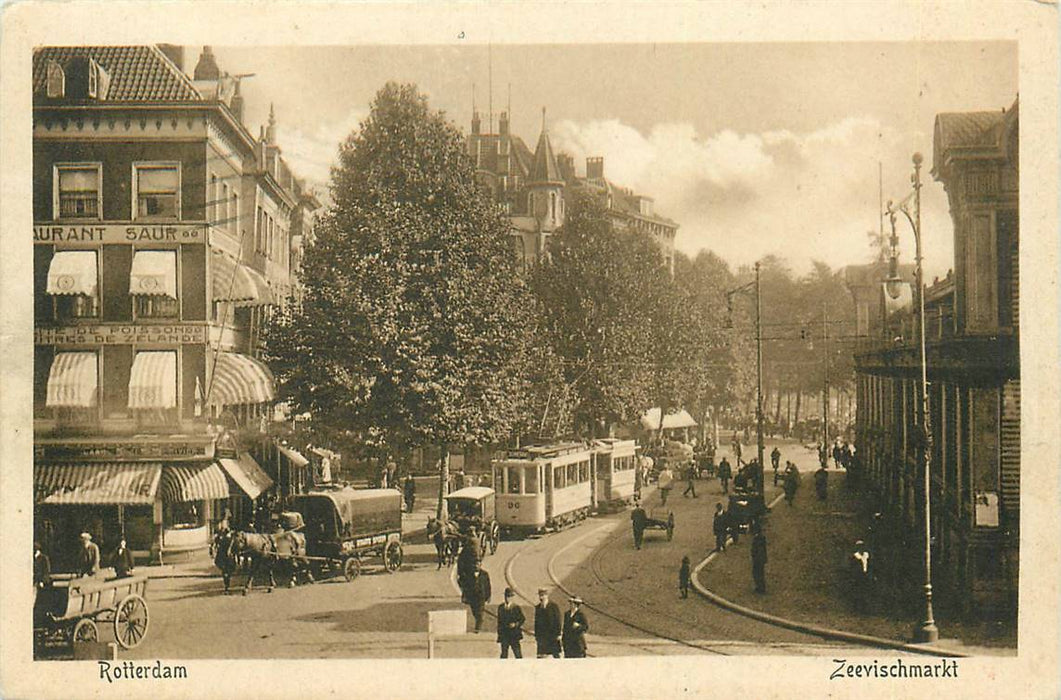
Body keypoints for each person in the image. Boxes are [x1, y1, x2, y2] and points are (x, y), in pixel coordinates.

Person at [534, 588, 563, 658]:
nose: (541, 597)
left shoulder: (554, 606)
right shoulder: (538, 608)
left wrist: (558, 634)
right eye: (540, 595)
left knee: (555, 655)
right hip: (542, 637)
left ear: (547, 596)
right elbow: (536, 622)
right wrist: (536, 635)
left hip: (553, 636)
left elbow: (558, 620)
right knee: (541, 656)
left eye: (543, 595)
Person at [497, 587, 525, 658]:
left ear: (512, 598)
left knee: (518, 654)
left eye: (510, 596)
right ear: (504, 597)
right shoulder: (501, 607)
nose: (508, 598)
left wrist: (515, 624)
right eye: (507, 596)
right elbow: (499, 622)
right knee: (504, 654)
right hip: (504, 635)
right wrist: (500, 633)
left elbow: (522, 619)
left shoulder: (516, 608)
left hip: (514, 635)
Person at [466, 560, 491, 633]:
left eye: (478, 565)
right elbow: (466, 586)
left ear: (480, 565)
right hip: (472, 597)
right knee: (474, 612)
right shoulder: (469, 574)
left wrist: (488, 596)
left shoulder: (485, 574)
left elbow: (488, 586)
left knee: (480, 613)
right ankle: (478, 621)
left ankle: (477, 628)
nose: (476, 566)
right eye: (475, 565)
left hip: (481, 597)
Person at [849, 540, 872, 612]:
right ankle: (856, 608)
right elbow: (852, 567)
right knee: (857, 592)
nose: (861, 548)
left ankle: (865, 608)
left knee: (866, 592)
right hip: (857, 576)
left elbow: (871, 565)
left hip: (866, 576)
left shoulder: (867, 555)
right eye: (858, 546)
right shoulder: (855, 556)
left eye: (862, 546)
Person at [751, 524, 768, 594]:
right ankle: (760, 587)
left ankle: (760, 588)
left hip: (758, 559)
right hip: (760, 559)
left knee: (758, 573)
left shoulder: (758, 539)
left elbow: (757, 550)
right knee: (759, 573)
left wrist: (755, 557)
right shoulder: (761, 538)